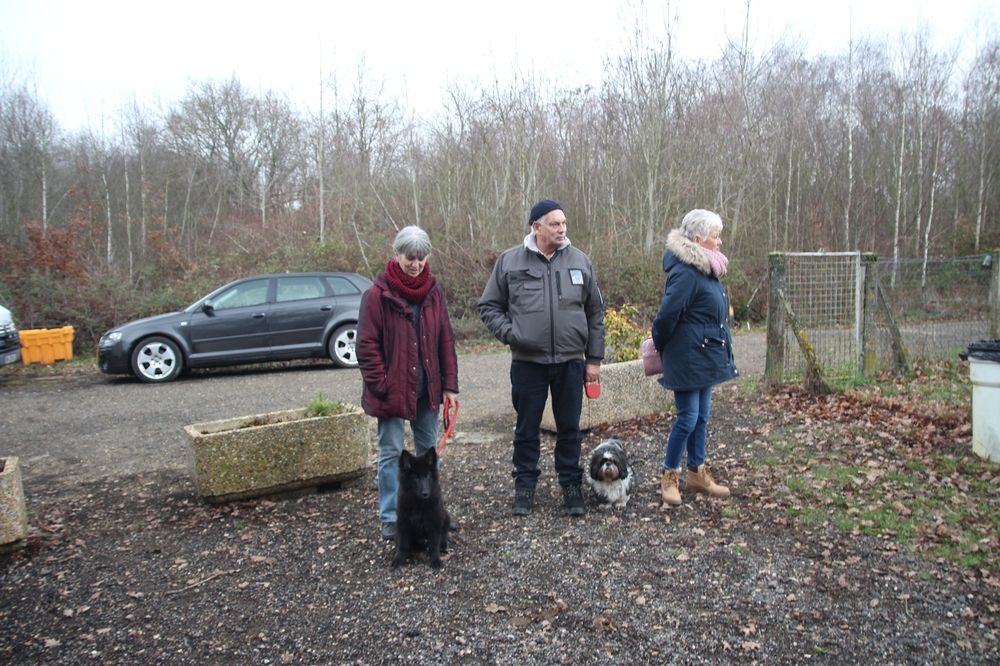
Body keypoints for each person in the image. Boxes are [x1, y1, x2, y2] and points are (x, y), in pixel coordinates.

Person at [478, 199, 605, 517]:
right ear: (536, 227)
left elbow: (595, 312)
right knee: (526, 429)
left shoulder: (579, 261)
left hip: (570, 362)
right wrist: (512, 334)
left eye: (564, 223)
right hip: (527, 364)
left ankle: (571, 487)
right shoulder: (510, 262)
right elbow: (489, 306)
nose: (562, 229)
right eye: (555, 224)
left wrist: (594, 359)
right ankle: (524, 489)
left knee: (570, 429)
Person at [357, 226, 460, 540]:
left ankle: (433, 512)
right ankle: (392, 516)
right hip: (390, 392)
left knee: (429, 454)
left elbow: (445, 339)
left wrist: (450, 384)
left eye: (421, 257)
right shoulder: (376, 295)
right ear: (397, 254)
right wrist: (380, 385)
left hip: (426, 387)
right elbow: (366, 345)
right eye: (409, 257)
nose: (415, 264)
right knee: (391, 452)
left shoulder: (433, 291)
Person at [651, 209, 739, 506]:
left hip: (705, 355)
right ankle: (669, 475)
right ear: (699, 239)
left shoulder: (707, 268)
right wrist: (664, 348)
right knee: (687, 418)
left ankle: (697, 473)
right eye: (716, 236)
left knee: (701, 417)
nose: (720, 241)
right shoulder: (686, 271)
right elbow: (665, 318)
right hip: (687, 357)